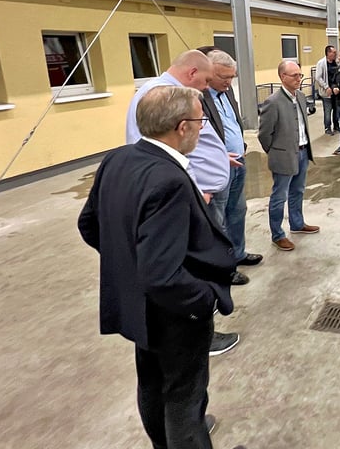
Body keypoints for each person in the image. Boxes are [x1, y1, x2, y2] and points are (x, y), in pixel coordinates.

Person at [80, 85, 248, 449]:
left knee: (152, 380)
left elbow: (89, 224)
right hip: (173, 309)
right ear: (181, 128)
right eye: (200, 122)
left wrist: (128, 267)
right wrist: (203, 299)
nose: (201, 129)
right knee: (184, 391)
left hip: (138, 306)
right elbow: (163, 272)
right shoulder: (170, 179)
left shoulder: (118, 159)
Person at [125, 50, 241, 356]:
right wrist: (191, 191)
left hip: (194, 193)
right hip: (188, 198)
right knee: (192, 267)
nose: (207, 87)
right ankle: (200, 336)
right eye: (205, 80)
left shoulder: (173, 95)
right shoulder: (158, 97)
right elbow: (155, 153)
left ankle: (199, 326)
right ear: (191, 73)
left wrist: (218, 157)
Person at [199, 48, 264, 271]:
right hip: (217, 166)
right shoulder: (198, 96)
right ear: (209, 72)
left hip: (239, 161)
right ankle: (224, 267)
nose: (229, 82)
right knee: (217, 218)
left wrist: (242, 145)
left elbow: (233, 122)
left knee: (237, 211)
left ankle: (238, 253)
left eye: (231, 77)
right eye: (224, 77)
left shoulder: (226, 92)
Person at [258, 61, 320, 252]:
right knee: (279, 196)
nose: (299, 79)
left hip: (302, 151)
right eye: (294, 75)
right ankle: (277, 235)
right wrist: (276, 152)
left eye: (300, 75)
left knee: (298, 191)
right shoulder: (273, 102)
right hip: (283, 156)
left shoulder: (300, 97)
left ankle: (297, 223)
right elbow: (264, 134)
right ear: (282, 77)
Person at [314, 46, 339, 136]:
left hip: (336, 91)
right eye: (334, 52)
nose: (335, 54)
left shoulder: (337, 63)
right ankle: (328, 128)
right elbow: (318, 77)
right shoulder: (321, 63)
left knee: (337, 110)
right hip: (327, 92)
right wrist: (326, 87)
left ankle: (336, 126)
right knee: (328, 110)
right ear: (328, 53)